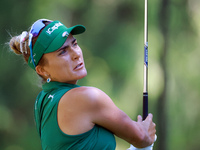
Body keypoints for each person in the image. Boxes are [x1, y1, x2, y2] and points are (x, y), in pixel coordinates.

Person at [9, 19, 156, 150]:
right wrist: (144, 135)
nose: (76, 54)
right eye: (62, 52)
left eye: (74, 43)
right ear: (42, 70)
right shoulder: (87, 98)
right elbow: (141, 138)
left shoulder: (42, 101)